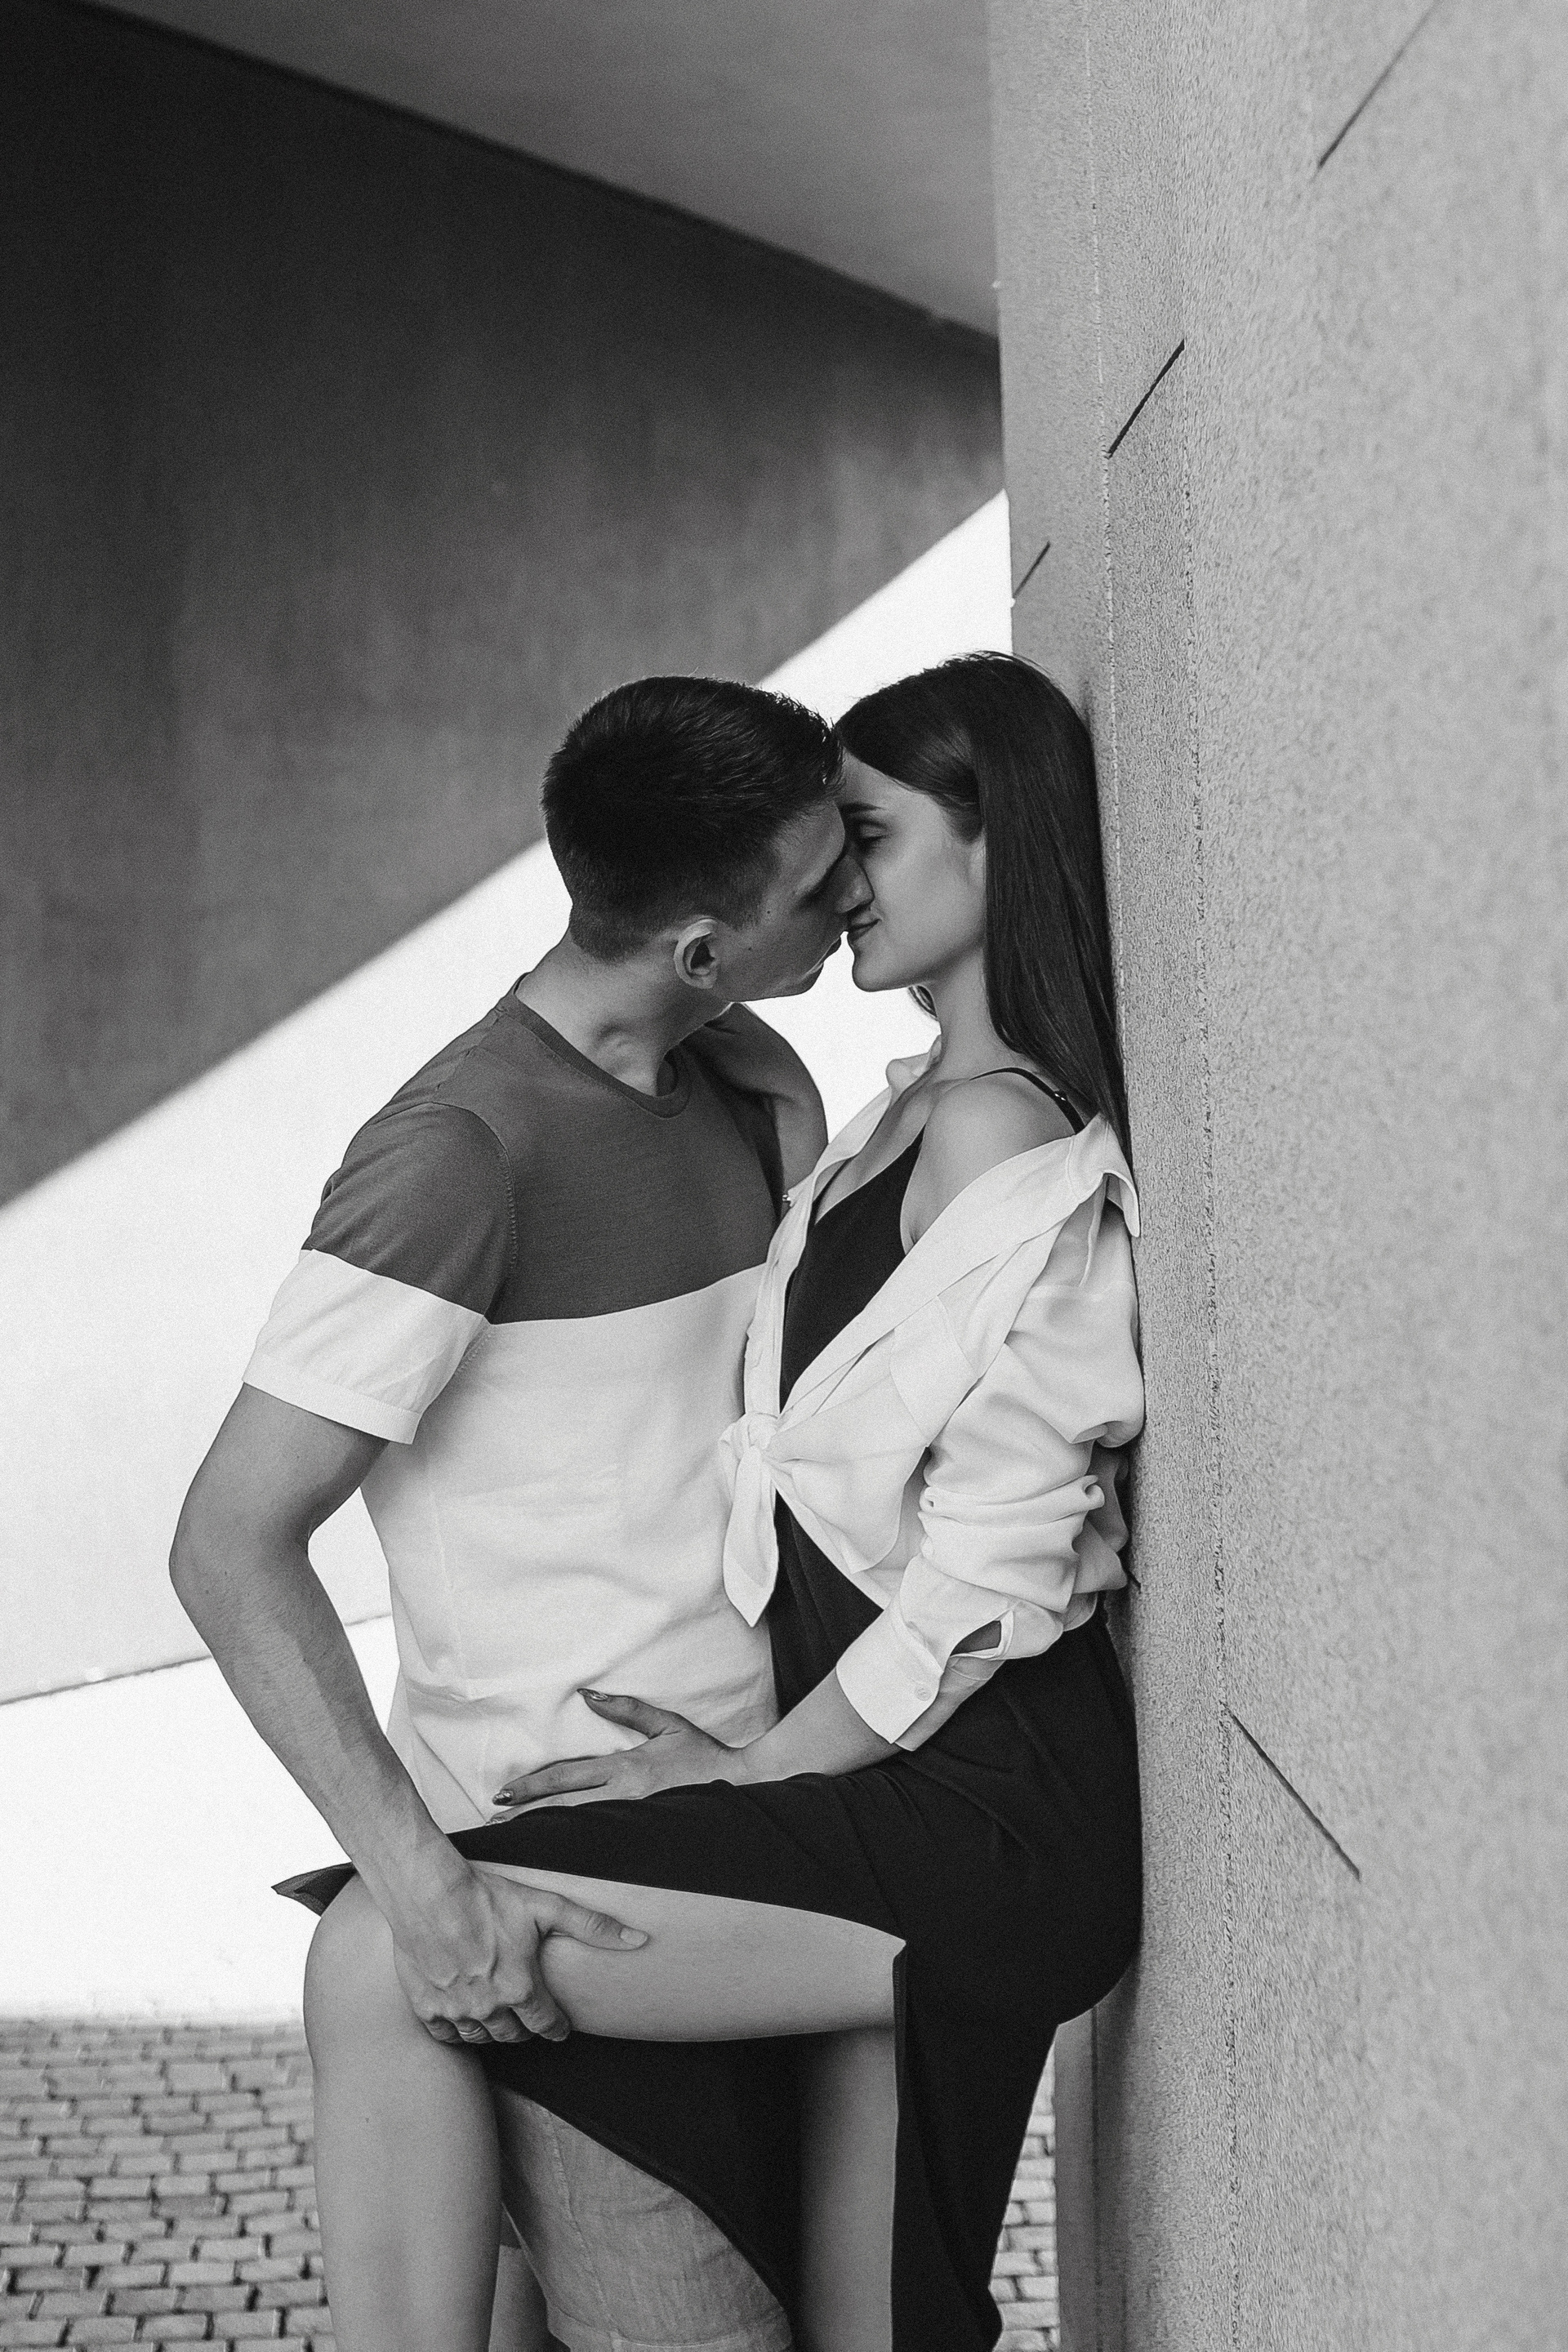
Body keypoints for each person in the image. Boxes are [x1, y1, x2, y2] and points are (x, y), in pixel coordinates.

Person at [284, 651, 1147, 2352]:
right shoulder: (872, 1113)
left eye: (870, 842)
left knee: (384, 1951)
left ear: (997, 844)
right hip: (870, 1776)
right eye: (826, 857)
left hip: (977, 1810)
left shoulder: (999, 1138)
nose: (842, 895)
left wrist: (745, 1776)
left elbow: (991, 1572)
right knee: (871, 2321)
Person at [171, 673, 874, 2352]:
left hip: (743, 1847)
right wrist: (424, 1897)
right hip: (562, 1910)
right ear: (697, 946)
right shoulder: (457, 1154)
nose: (855, 894)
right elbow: (227, 1544)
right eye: (817, 879)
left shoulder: (747, 1083)